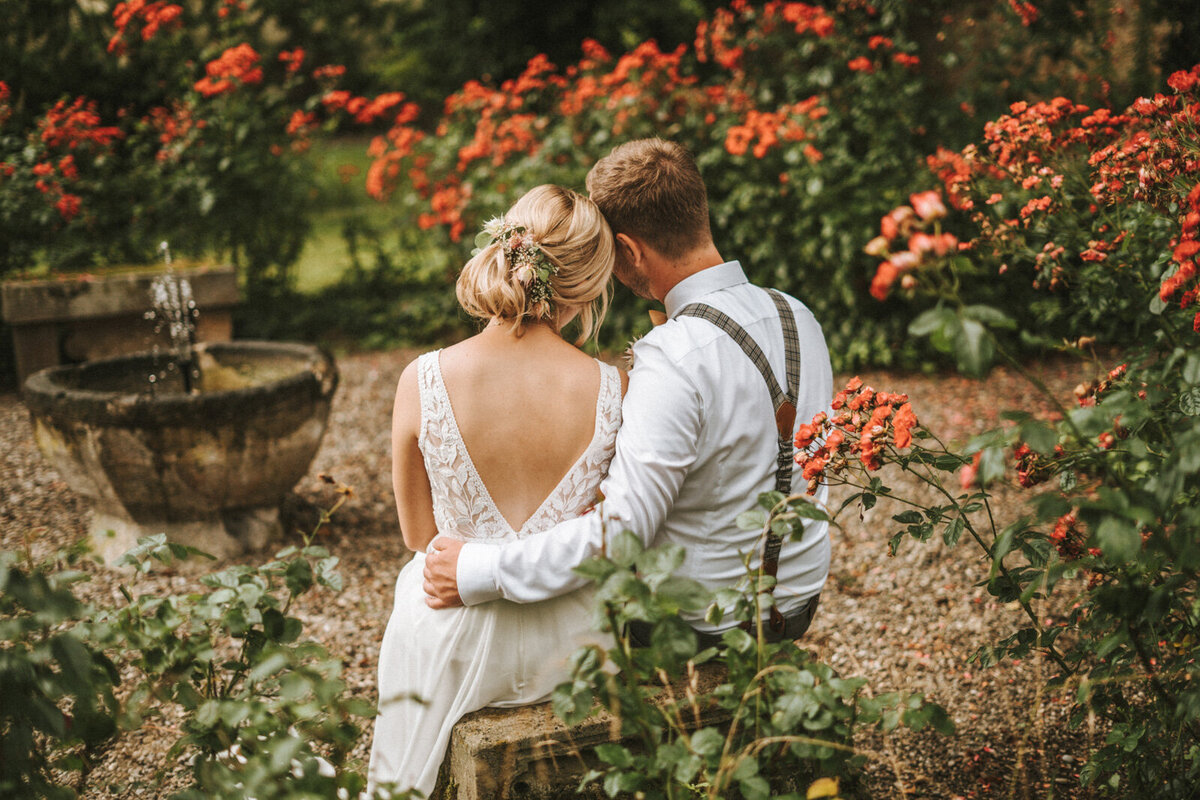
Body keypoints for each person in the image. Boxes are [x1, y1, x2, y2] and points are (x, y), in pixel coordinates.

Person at [423, 138, 834, 649]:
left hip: (701, 622)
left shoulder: (671, 357)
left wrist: (478, 570)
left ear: (631, 250)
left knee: (565, 616)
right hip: (798, 600)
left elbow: (621, 533)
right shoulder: (799, 316)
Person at [367, 184, 624, 797]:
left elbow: (417, 536)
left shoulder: (423, 377)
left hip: (452, 627)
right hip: (572, 638)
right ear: (588, 288)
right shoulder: (612, 388)